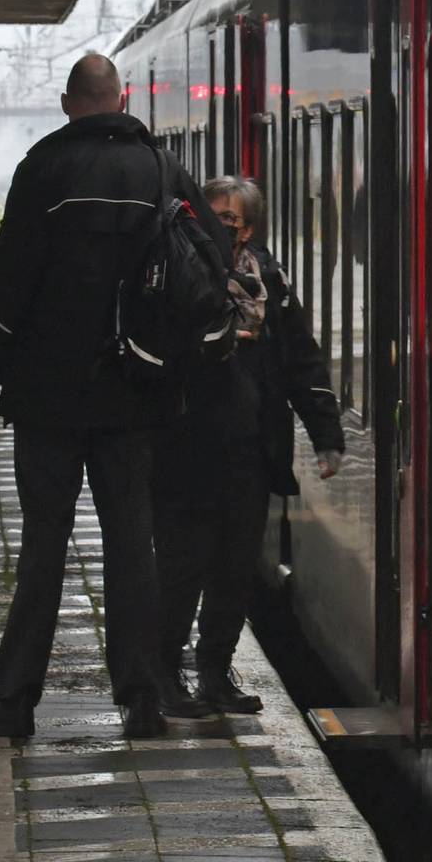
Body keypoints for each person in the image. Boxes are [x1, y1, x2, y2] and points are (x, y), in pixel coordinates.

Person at [0, 55, 215, 741]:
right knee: (131, 544)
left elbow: (10, 279)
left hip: (50, 394)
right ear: (121, 99)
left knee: (43, 546)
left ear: (69, 104)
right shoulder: (163, 171)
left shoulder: (46, 169)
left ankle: (13, 701)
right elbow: (204, 263)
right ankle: (143, 697)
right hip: (136, 392)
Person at [158, 178, 344, 713]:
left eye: (230, 221)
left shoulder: (271, 285)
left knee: (235, 571)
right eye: (211, 218)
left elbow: (301, 361)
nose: (219, 230)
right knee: (182, 567)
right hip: (189, 448)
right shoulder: (177, 272)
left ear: (251, 229)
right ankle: (166, 676)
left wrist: (326, 435)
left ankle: (215, 673)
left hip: (250, 451)